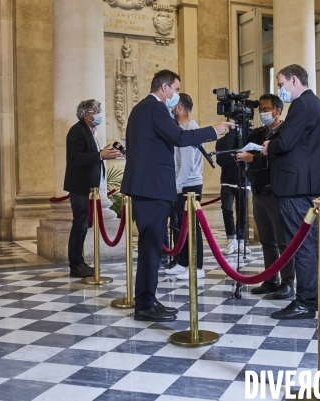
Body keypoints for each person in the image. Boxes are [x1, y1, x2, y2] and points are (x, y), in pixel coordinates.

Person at [120, 69, 231, 322]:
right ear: (164, 87)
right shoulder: (156, 108)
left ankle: (147, 299)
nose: (177, 95)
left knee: (151, 248)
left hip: (146, 187)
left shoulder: (140, 109)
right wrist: (213, 130)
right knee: (150, 248)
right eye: (176, 89)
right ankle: (145, 304)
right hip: (152, 188)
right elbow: (180, 137)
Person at [262, 64, 320, 320]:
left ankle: (305, 301)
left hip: (296, 186)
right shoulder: (318, 105)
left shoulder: (301, 105)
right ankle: (310, 298)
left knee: (301, 245)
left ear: (294, 80)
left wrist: (270, 145)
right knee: (309, 244)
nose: (280, 89)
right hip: (311, 184)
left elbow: (287, 142)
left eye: (281, 84)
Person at [235, 94, 295, 299]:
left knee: (283, 241)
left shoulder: (286, 132)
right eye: (260, 109)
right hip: (258, 191)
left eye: (266, 109)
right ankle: (271, 279)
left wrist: (255, 158)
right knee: (267, 241)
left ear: (278, 110)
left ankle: (287, 282)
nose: (263, 113)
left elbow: (282, 159)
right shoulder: (258, 133)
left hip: (276, 192)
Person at [64, 99, 124, 278]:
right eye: (95, 110)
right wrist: (100, 155)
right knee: (79, 226)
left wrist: (102, 153)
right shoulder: (77, 131)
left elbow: (90, 155)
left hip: (89, 187)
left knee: (83, 225)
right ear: (86, 115)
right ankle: (75, 265)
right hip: (80, 186)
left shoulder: (90, 130)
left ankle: (80, 263)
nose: (99, 112)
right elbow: (76, 158)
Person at [163, 93, 206, 280]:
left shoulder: (189, 129)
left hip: (189, 185)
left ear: (179, 107)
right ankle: (182, 263)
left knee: (192, 227)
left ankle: (197, 267)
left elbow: (186, 163)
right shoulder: (183, 127)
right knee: (182, 226)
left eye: (173, 104)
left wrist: (178, 185)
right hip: (184, 184)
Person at [215, 124, 251, 255]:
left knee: (242, 212)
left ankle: (241, 241)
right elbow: (220, 161)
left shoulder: (246, 140)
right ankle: (231, 239)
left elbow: (252, 159)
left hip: (243, 180)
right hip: (227, 181)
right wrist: (231, 155)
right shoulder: (221, 142)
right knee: (226, 209)